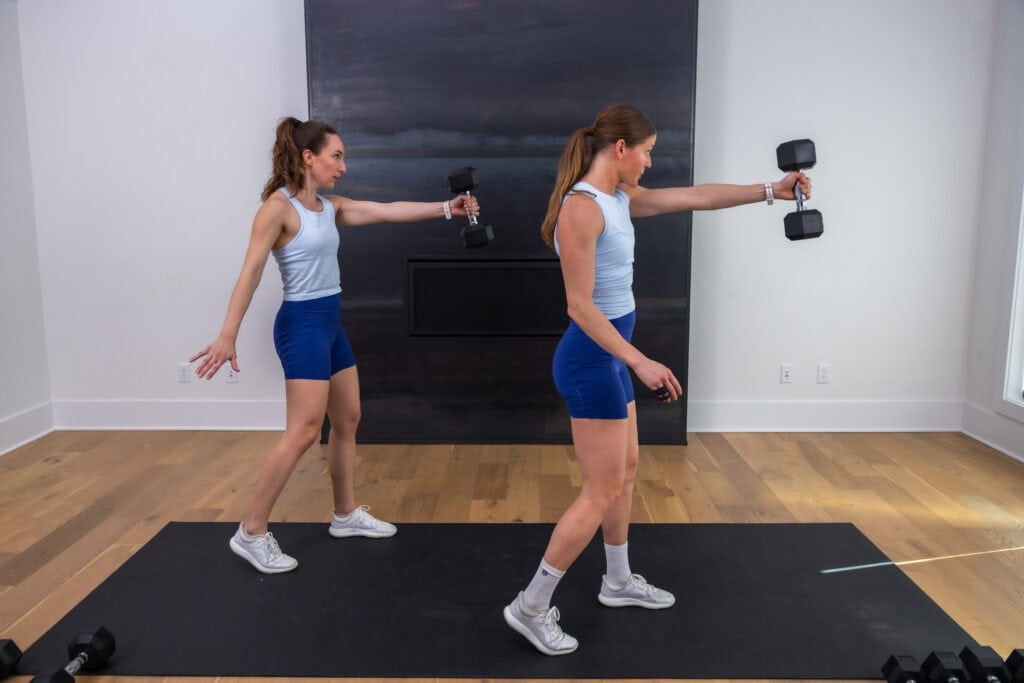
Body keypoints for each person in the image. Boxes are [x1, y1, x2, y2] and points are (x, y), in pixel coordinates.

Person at [502, 103, 812, 655]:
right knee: (599, 490)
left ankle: (617, 582)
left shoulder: (620, 198)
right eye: (646, 151)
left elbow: (696, 196)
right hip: (591, 358)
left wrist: (773, 190)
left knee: (625, 470)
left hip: (610, 356)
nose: (649, 162)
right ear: (619, 148)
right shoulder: (583, 210)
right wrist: (639, 360)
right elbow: (580, 308)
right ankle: (529, 605)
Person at [191, 117, 479, 574]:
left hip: (329, 323)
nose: (343, 166)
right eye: (337, 156)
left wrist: (448, 209)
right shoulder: (277, 209)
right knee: (304, 431)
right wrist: (228, 333)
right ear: (309, 157)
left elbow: (386, 210)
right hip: (301, 325)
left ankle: (345, 514)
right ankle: (250, 531)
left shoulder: (329, 206)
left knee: (347, 419)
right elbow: (250, 272)